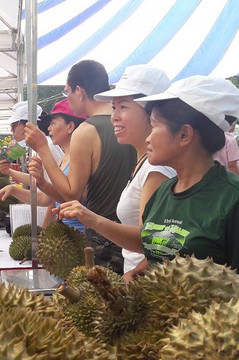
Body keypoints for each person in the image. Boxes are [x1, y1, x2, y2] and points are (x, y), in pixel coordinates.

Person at [57, 76, 239, 301]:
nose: (149, 137)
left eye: (154, 127)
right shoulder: (165, 193)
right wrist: (140, 269)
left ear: (184, 134)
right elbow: (151, 243)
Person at [25, 60, 136, 274]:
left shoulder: (86, 131)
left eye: (67, 91)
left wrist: (42, 148)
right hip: (133, 236)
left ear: (79, 91)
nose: (67, 96)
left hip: (103, 237)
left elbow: (72, 194)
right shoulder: (126, 125)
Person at [90, 64, 176, 281]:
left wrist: (90, 218)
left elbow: (155, 243)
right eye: (113, 108)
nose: (114, 117)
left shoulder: (157, 171)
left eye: (124, 107)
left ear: (153, 114)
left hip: (148, 286)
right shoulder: (143, 162)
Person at [0, 99, 87, 232]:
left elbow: (67, 199)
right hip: (65, 230)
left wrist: (46, 229)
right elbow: (53, 197)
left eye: (53, 123)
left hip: (77, 232)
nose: (49, 128)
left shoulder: (48, 148)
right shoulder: (60, 156)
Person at [0, 101, 64, 186]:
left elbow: (56, 187)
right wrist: (9, 171)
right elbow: (36, 182)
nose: (11, 130)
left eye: (14, 126)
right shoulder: (34, 147)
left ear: (29, 125)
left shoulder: (49, 147)